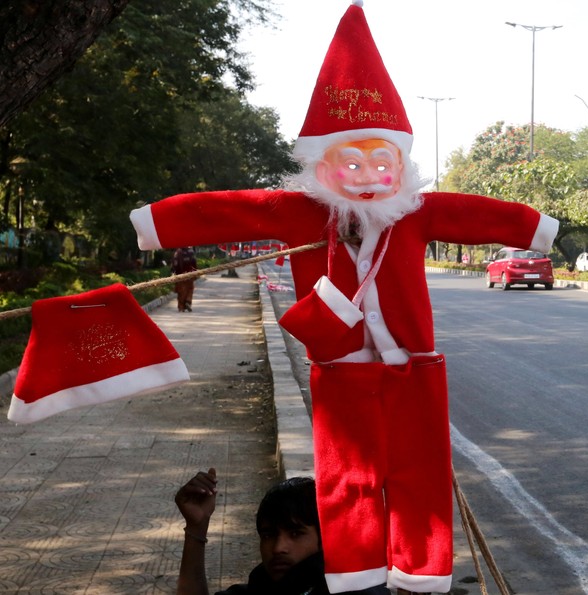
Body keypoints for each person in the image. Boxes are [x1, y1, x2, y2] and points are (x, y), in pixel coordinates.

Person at [129, 3, 559, 592]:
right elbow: (224, 207)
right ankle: (355, 576)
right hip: (339, 368)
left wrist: (537, 229)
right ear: (322, 164)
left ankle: (419, 573)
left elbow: (476, 214)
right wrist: (156, 224)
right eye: (349, 161)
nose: (364, 174)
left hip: (415, 367)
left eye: (379, 161)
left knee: (419, 474)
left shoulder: (415, 213)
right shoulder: (301, 213)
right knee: (347, 479)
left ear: (400, 163)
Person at [174, 468, 390, 595]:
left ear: (325, 538)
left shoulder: (355, 590)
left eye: (295, 533)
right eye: (268, 535)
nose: (278, 548)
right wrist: (197, 527)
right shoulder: (263, 587)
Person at [171, 246, 198, 312]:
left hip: (180, 275)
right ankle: (188, 301)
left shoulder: (177, 253)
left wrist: (173, 273)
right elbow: (194, 262)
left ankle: (181, 307)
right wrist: (195, 272)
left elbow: (175, 264)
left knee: (181, 291)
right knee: (190, 289)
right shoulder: (191, 252)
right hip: (190, 275)